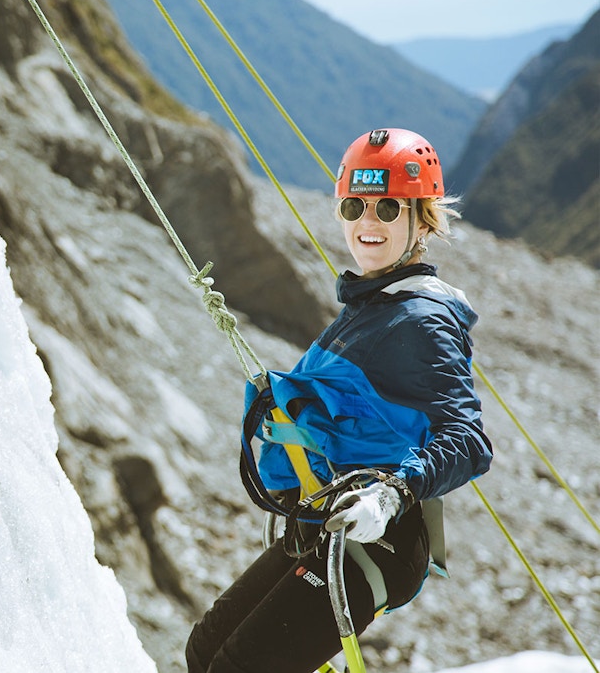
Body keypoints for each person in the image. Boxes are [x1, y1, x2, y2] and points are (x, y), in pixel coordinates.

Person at [184, 128, 493, 673]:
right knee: (206, 650)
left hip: (377, 536)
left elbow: (469, 441)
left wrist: (392, 494)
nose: (368, 222)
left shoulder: (422, 319)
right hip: (326, 520)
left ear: (422, 218)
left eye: (388, 207)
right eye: (355, 205)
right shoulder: (371, 302)